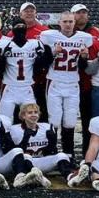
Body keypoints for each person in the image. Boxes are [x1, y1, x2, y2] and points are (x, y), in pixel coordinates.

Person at [39, 11, 94, 155]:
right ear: (59, 23)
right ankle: (51, 152)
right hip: (55, 82)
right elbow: (43, 63)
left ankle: (69, 154)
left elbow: (83, 67)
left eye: (71, 21)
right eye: (65, 22)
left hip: (73, 83)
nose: (68, 24)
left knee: (70, 121)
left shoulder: (84, 38)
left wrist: (83, 58)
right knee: (54, 120)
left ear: (75, 23)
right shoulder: (49, 37)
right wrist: (52, 53)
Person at [0, 18, 51, 118]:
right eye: (17, 27)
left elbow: (42, 66)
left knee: (31, 120)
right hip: (9, 87)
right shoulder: (4, 44)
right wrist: (1, 57)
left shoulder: (35, 44)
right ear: (12, 29)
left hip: (28, 87)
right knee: (5, 120)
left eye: (22, 26)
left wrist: (44, 56)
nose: (20, 29)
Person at [9, 103, 74, 180]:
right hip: (24, 164)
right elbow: (13, 153)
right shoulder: (14, 130)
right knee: (25, 156)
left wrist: (52, 142)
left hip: (41, 160)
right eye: (30, 113)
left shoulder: (47, 127)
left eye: (36, 112)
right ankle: (34, 177)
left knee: (62, 155)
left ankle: (70, 177)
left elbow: (50, 153)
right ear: (23, 116)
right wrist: (25, 139)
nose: (34, 115)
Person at [71, 4, 99, 152]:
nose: (82, 15)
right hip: (69, 81)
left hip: (89, 82)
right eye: (78, 13)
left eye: (84, 12)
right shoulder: (67, 31)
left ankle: (87, 151)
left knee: (88, 120)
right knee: (68, 120)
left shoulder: (95, 32)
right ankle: (67, 151)